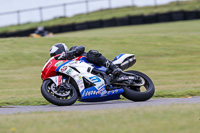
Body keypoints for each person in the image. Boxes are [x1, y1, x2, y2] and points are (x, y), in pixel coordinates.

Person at [49, 43, 121, 76]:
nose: (56, 56)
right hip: (87, 73)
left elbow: (82, 47)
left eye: (56, 53)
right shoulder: (65, 65)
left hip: (95, 64)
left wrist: (72, 52)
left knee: (91, 53)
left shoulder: (72, 50)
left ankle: (114, 67)